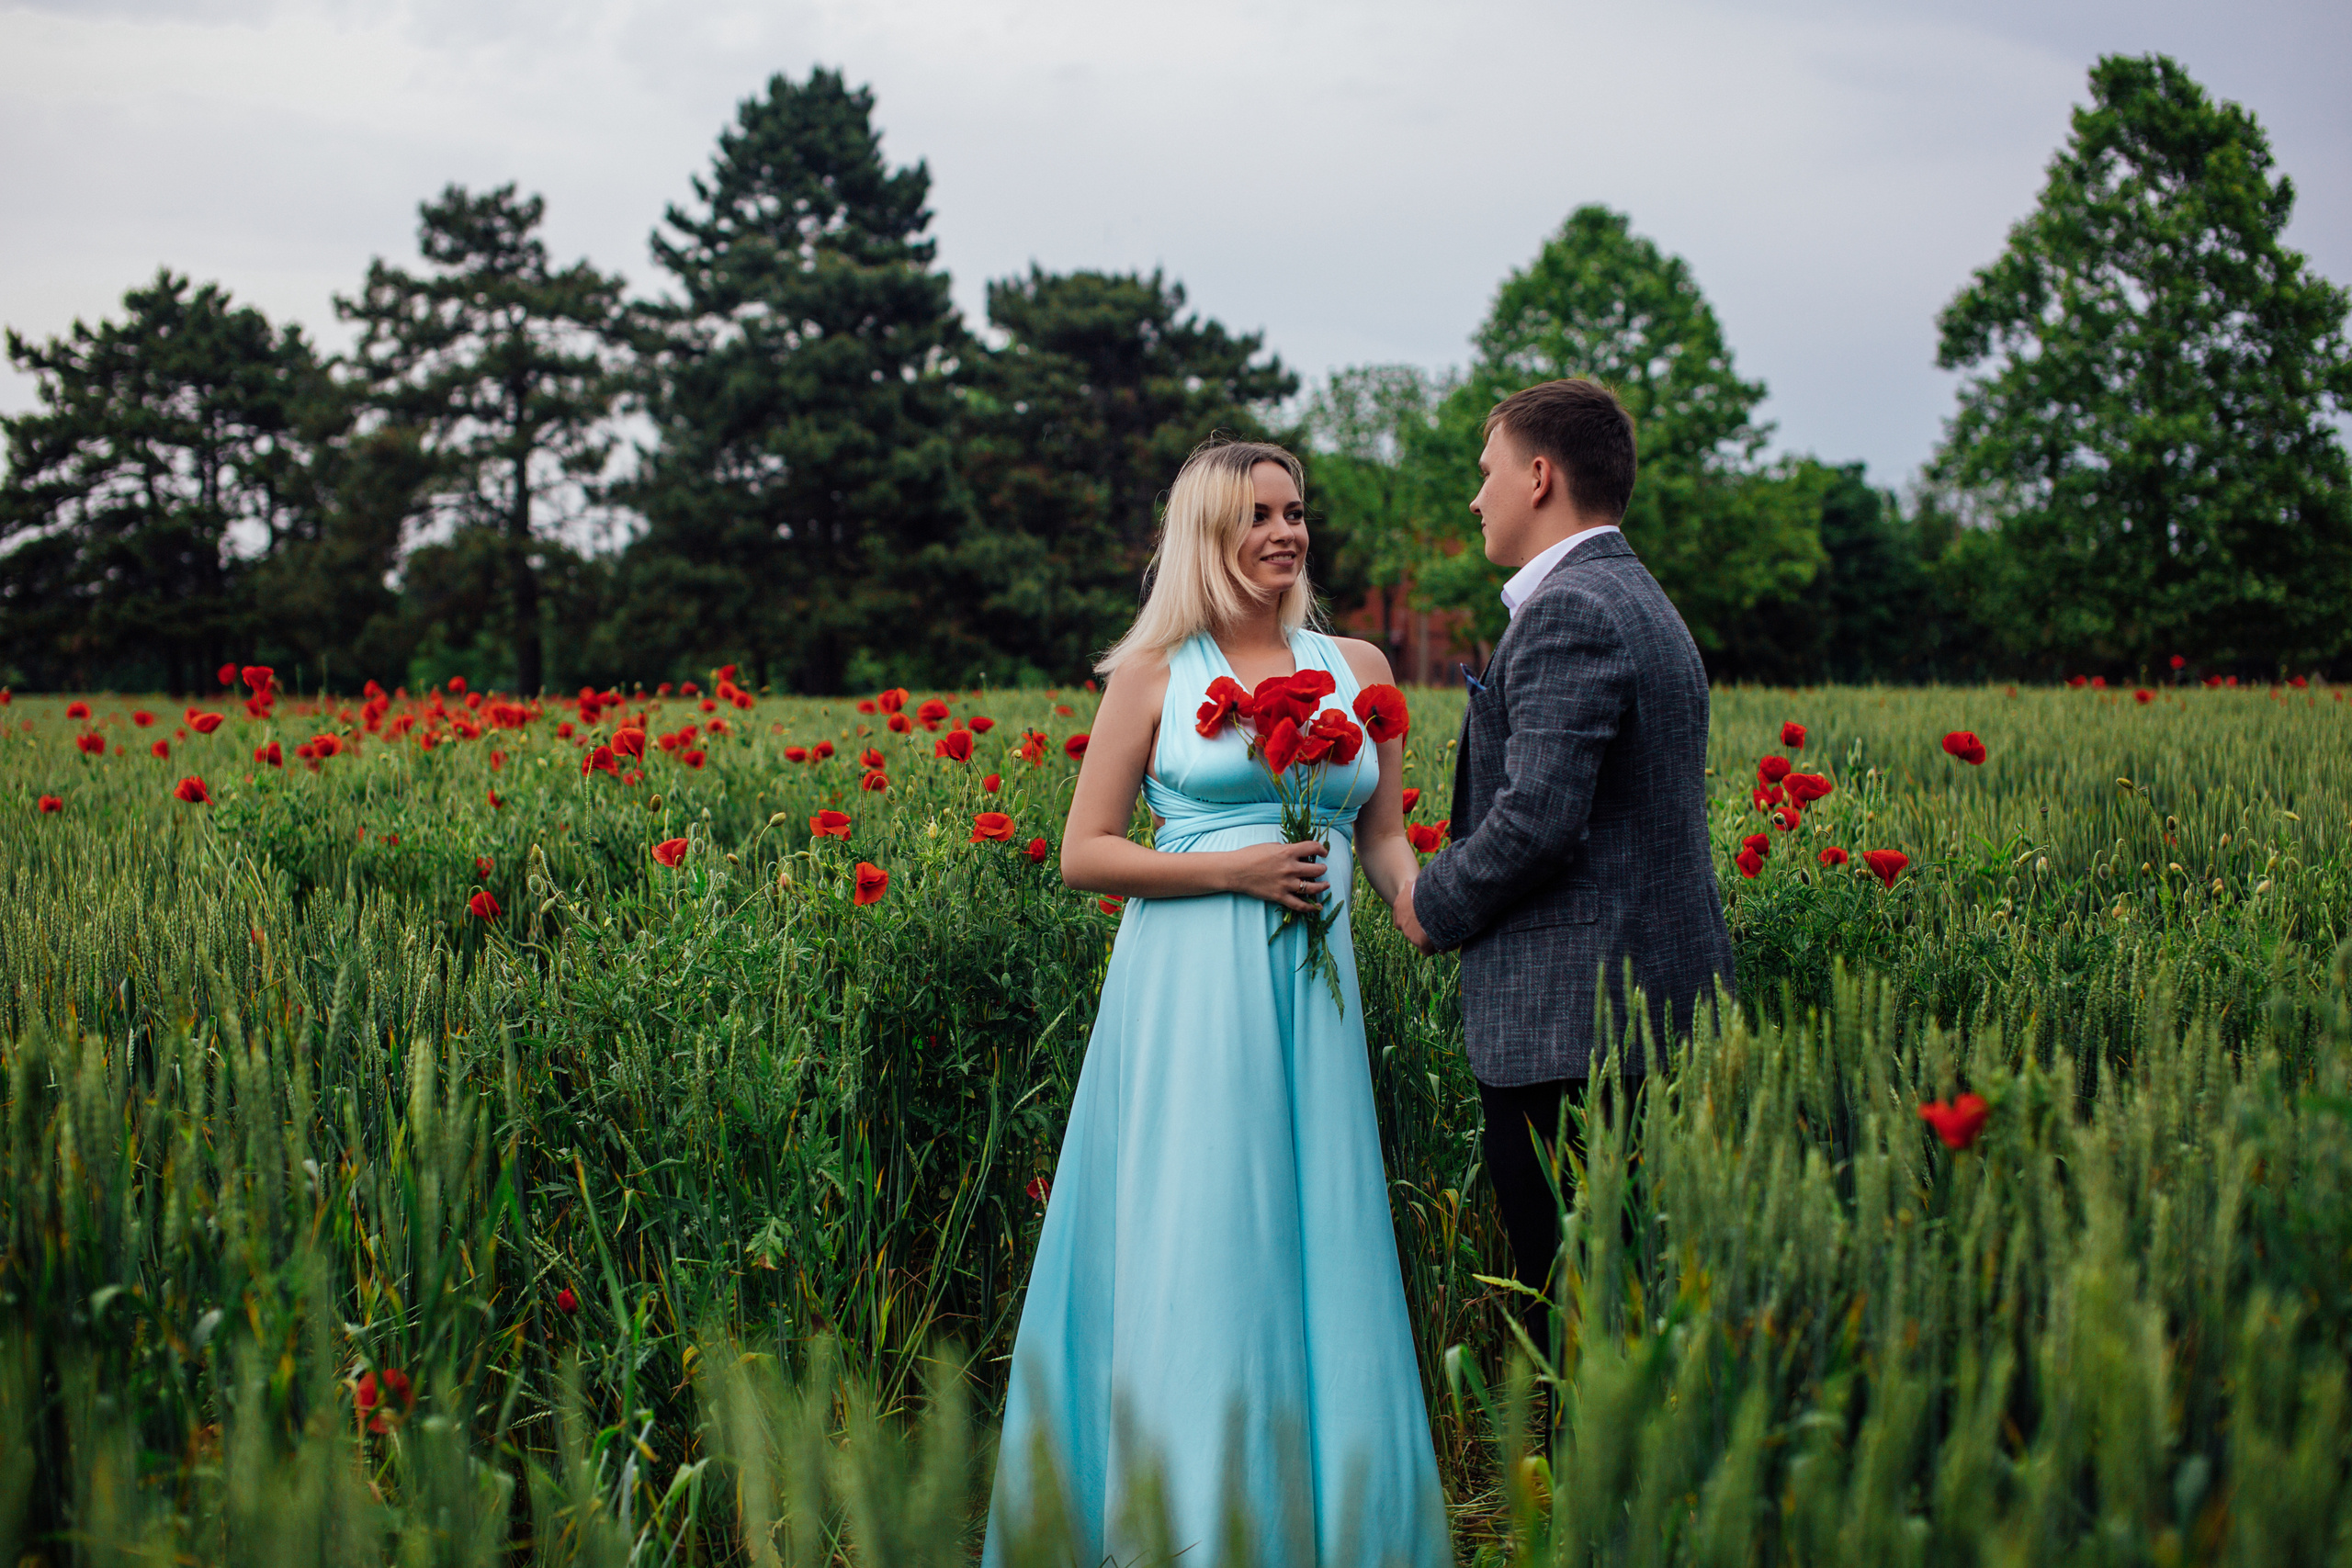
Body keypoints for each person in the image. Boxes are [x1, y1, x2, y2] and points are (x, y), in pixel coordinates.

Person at [983, 439, 1450, 1567]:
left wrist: (1424, 906)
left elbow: (1381, 837)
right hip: (1187, 997)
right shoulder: (1153, 672)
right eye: (1259, 516)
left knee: (1320, 1227)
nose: (1286, 534)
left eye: (1295, 513)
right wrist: (1230, 871)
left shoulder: (1359, 663)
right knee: (1203, 1229)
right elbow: (1083, 854)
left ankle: (1329, 1526)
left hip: (1314, 1000)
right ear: (1208, 535)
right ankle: (1180, 1528)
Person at [1396, 378, 1736, 1365]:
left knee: (1577, 1308)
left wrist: (1432, 902)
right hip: (1634, 1008)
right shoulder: (1635, 596)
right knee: (1620, 1298)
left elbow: (1540, 817)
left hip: (1572, 1029)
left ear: (1538, 476)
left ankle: (1595, 1510)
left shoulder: (1569, 610)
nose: (1477, 498)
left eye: (1486, 471)